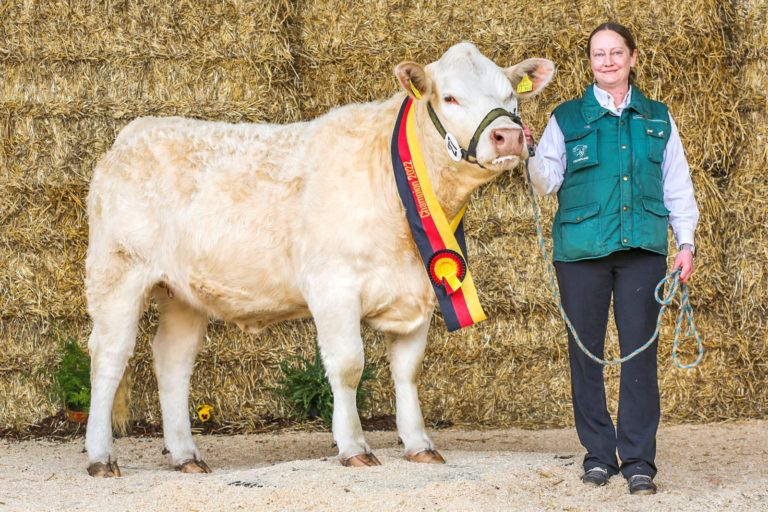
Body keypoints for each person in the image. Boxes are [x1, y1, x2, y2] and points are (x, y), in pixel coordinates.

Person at [524, 22, 699, 495]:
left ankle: (640, 460)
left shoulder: (658, 118)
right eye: (598, 54)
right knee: (588, 356)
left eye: (616, 53)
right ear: (590, 62)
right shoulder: (566, 118)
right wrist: (529, 149)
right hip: (580, 255)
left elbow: (677, 186)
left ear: (632, 58)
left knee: (641, 357)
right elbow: (547, 182)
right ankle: (599, 455)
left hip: (642, 252)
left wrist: (685, 245)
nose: (607, 61)